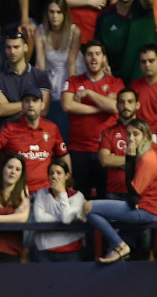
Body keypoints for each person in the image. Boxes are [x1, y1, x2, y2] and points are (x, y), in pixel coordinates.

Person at [83, 118, 157, 263]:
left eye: (136, 134)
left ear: (146, 136)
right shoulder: (145, 155)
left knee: (88, 208)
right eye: (128, 134)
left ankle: (120, 246)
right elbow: (133, 192)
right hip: (147, 208)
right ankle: (118, 246)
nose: (131, 138)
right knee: (89, 210)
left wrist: (129, 159)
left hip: (147, 210)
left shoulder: (148, 157)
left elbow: (133, 192)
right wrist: (130, 159)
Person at [61, 40, 123, 200]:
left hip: (106, 151)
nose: (93, 58)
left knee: (106, 199)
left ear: (104, 58)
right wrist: (101, 107)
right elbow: (67, 105)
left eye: (97, 54)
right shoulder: (73, 81)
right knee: (79, 200)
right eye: (89, 54)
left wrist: (89, 93)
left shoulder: (115, 82)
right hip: (78, 151)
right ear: (84, 58)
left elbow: (116, 107)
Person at [0, 87, 69, 193]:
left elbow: (64, 156)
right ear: (22, 105)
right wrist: (1, 181)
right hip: (19, 193)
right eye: (27, 101)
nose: (31, 104)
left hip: (47, 193)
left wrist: (67, 183)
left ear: (42, 105)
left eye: (35, 101)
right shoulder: (9, 128)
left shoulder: (52, 128)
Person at [0, 30, 51, 127]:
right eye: (8, 47)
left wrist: (8, 105)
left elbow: (43, 110)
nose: (12, 52)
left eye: (16, 47)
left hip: (32, 129)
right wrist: (31, 106)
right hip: (6, 129)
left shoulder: (40, 76)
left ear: (25, 47)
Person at [31, 158, 86, 261]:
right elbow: (40, 218)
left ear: (67, 176)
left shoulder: (77, 196)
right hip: (45, 250)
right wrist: (62, 218)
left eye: (59, 173)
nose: (54, 176)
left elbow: (66, 219)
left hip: (71, 249)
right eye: (51, 173)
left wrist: (62, 193)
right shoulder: (41, 193)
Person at [93, 0, 156, 84]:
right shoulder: (105, 16)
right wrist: (104, 64)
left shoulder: (143, 8)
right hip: (118, 83)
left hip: (148, 81)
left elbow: (149, 3)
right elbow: (99, 47)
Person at [35, 0, 83, 97]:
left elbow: (71, 64)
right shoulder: (39, 31)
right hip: (50, 75)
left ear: (65, 14)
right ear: (47, 13)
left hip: (72, 73)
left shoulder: (75, 32)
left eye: (59, 12)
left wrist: (72, 88)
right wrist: (39, 87)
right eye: (51, 12)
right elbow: (40, 64)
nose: (55, 16)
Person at [98, 88, 140, 200]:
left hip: (140, 190)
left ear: (137, 105)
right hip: (114, 192)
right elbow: (105, 160)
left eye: (130, 102)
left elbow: (149, 161)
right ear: (117, 105)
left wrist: (116, 160)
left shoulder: (146, 131)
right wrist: (134, 160)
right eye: (121, 102)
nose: (126, 106)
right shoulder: (108, 132)